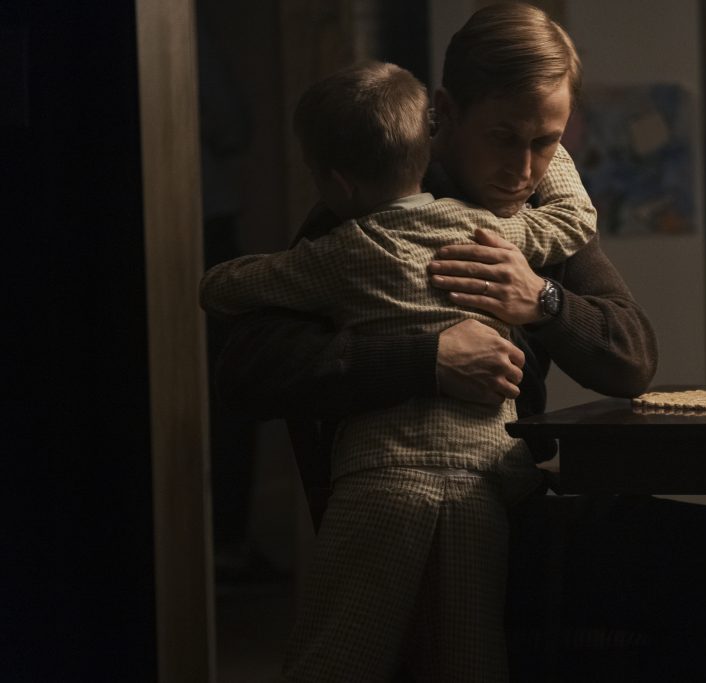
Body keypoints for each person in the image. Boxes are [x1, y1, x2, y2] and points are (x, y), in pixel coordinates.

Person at [214, 3, 706, 681]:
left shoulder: (533, 220)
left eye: (546, 143)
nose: (524, 169)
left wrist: (542, 301)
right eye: (504, 138)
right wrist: (424, 361)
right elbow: (245, 369)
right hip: (420, 505)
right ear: (445, 114)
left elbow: (633, 359)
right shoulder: (375, 204)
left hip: (516, 497)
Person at [201, 59, 598, 681]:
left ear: (338, 185)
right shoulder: (488, 233)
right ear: (429, 147)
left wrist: (227, 274)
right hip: (483, 483)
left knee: (337, 652)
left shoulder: (345, 250)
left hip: (380, 479)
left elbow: (228, 289)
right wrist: (549, 147)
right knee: (470, 658)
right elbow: (573, 219)